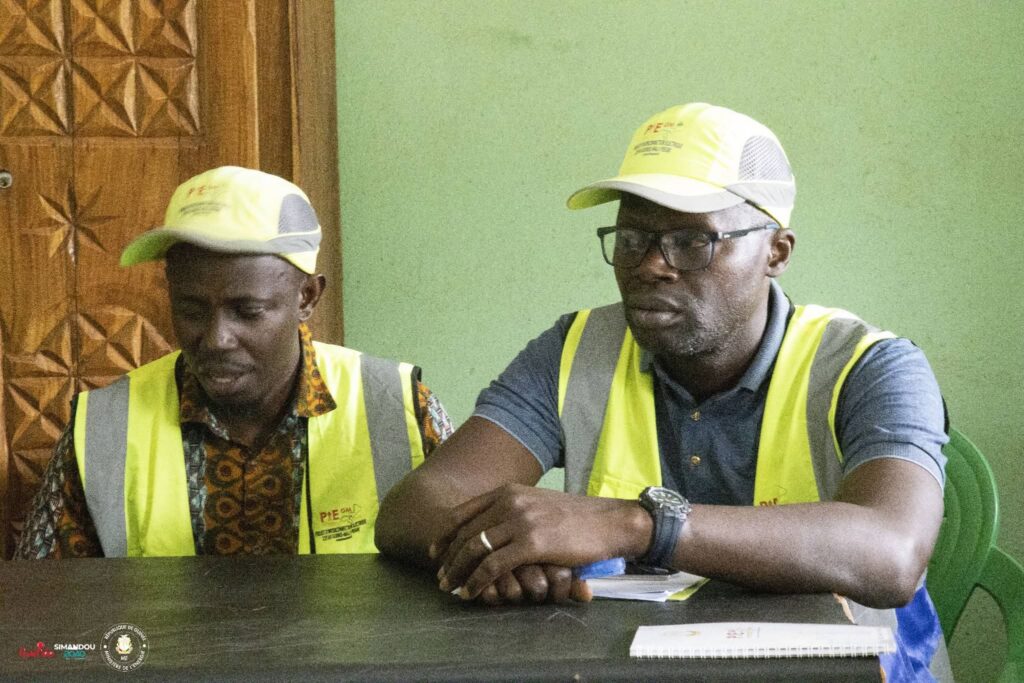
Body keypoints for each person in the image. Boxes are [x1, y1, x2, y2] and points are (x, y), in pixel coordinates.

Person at [375, 103, 950, 681]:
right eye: (632, 238)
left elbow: (893, 552)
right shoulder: (576, 349)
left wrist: (639, 525)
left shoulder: (868, 366)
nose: (651, 265)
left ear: (776, 251)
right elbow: (416, 506)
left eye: (692, 241)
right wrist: (504, 552)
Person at [16, 166, 452, 558]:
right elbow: (46, 603)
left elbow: (460, 580)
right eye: (191, 310)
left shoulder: (398, 411)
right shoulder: (105, 429)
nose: (217, 339)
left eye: (247, 311)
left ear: (306, 297)